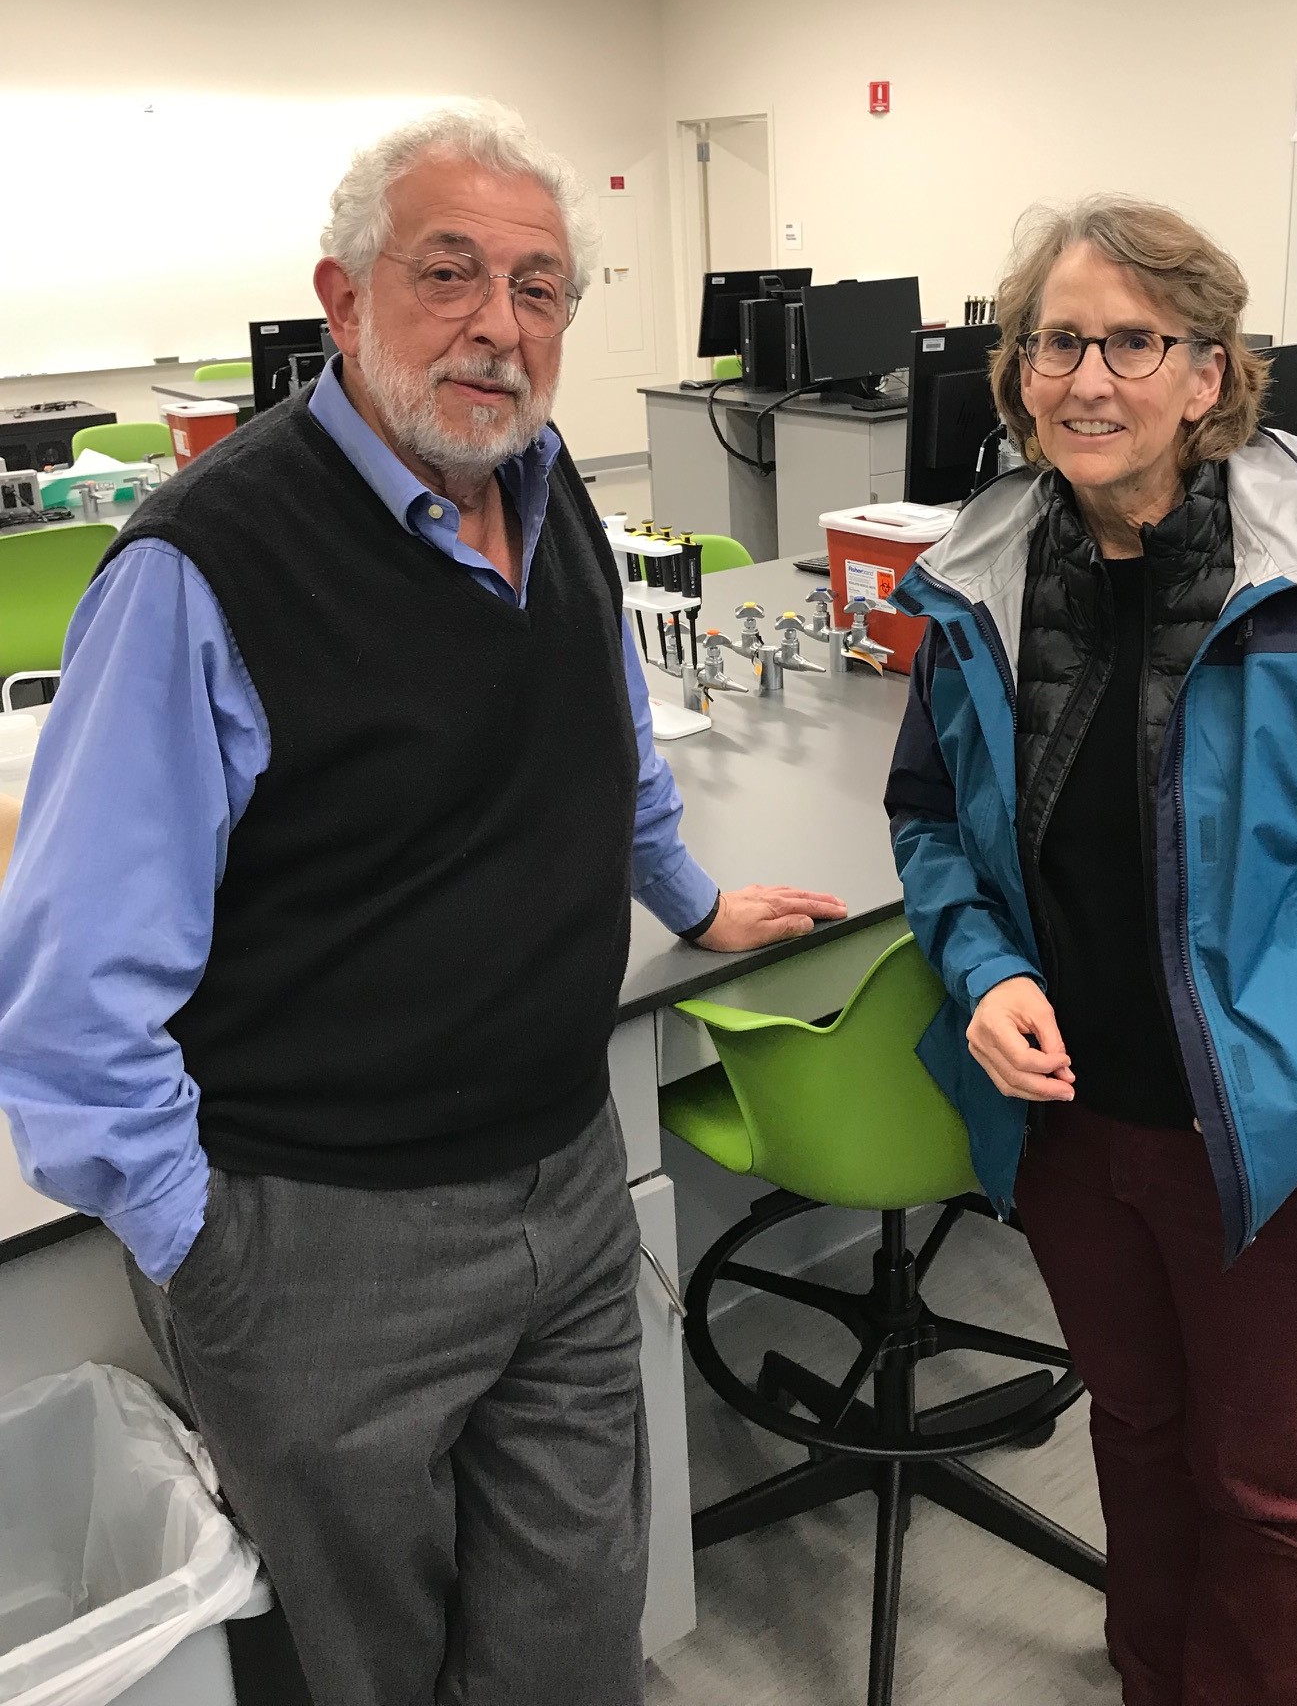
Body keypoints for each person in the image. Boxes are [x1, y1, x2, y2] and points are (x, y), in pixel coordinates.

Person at [0, 101, 845, 1706]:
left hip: (566, 1175)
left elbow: (607, 744)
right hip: (321, 1237)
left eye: (539, 289)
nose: (498, 326)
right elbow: (68, 1000)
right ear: (343, 298)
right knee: (370, 1664)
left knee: (572, 1631)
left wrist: (693, 893)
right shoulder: (203, 568)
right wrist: (210, 1254)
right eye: (449, 273)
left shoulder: (553, 497)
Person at [884, 197, 1297, 1706]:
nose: (1086, 378)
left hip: (1285, 1147)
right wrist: (984, 971)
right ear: (1017, 368)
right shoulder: (980, 577)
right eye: (1053, 340)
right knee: (1139, 1443)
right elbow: (928, 822)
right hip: (1078, 1134)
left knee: (1262, 1494)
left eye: (1132, 341)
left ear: (1210, 371)